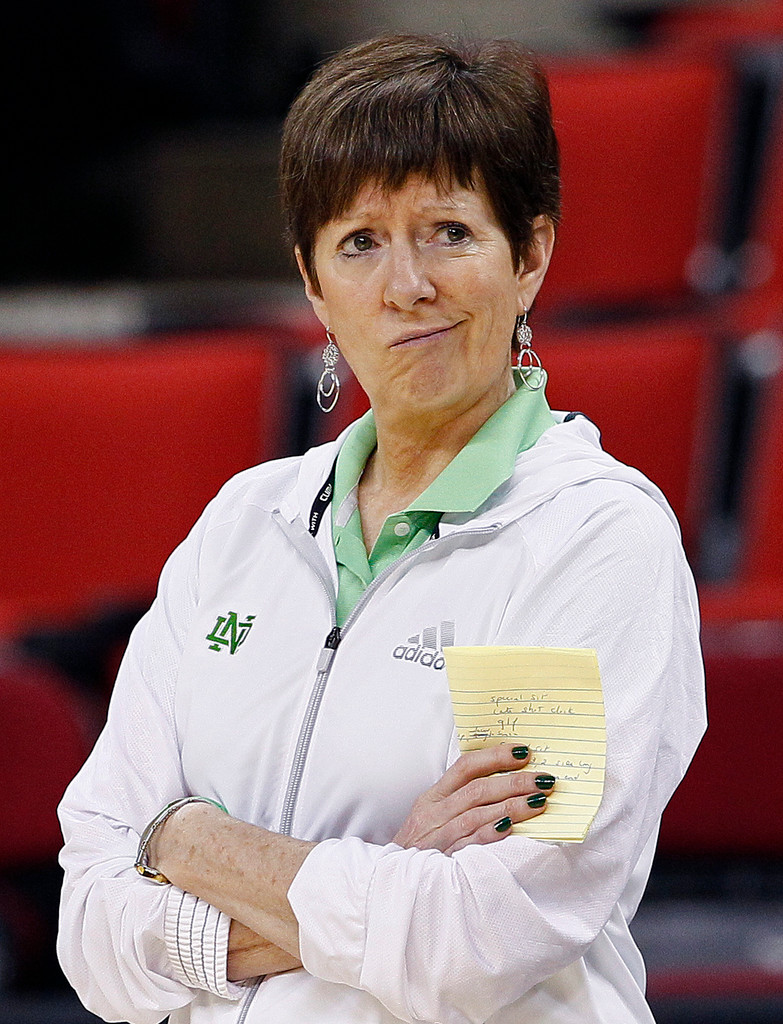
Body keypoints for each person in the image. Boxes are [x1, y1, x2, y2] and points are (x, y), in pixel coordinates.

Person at [57, 34, 705, 1024]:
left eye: (449, 230)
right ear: (314, 285)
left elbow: (479, 941)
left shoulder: (593, 538)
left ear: (529, 255)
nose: (406, 285)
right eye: (360, 242)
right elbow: (91, 936)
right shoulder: (242, 524)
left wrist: (185, 841)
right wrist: (396, 871)